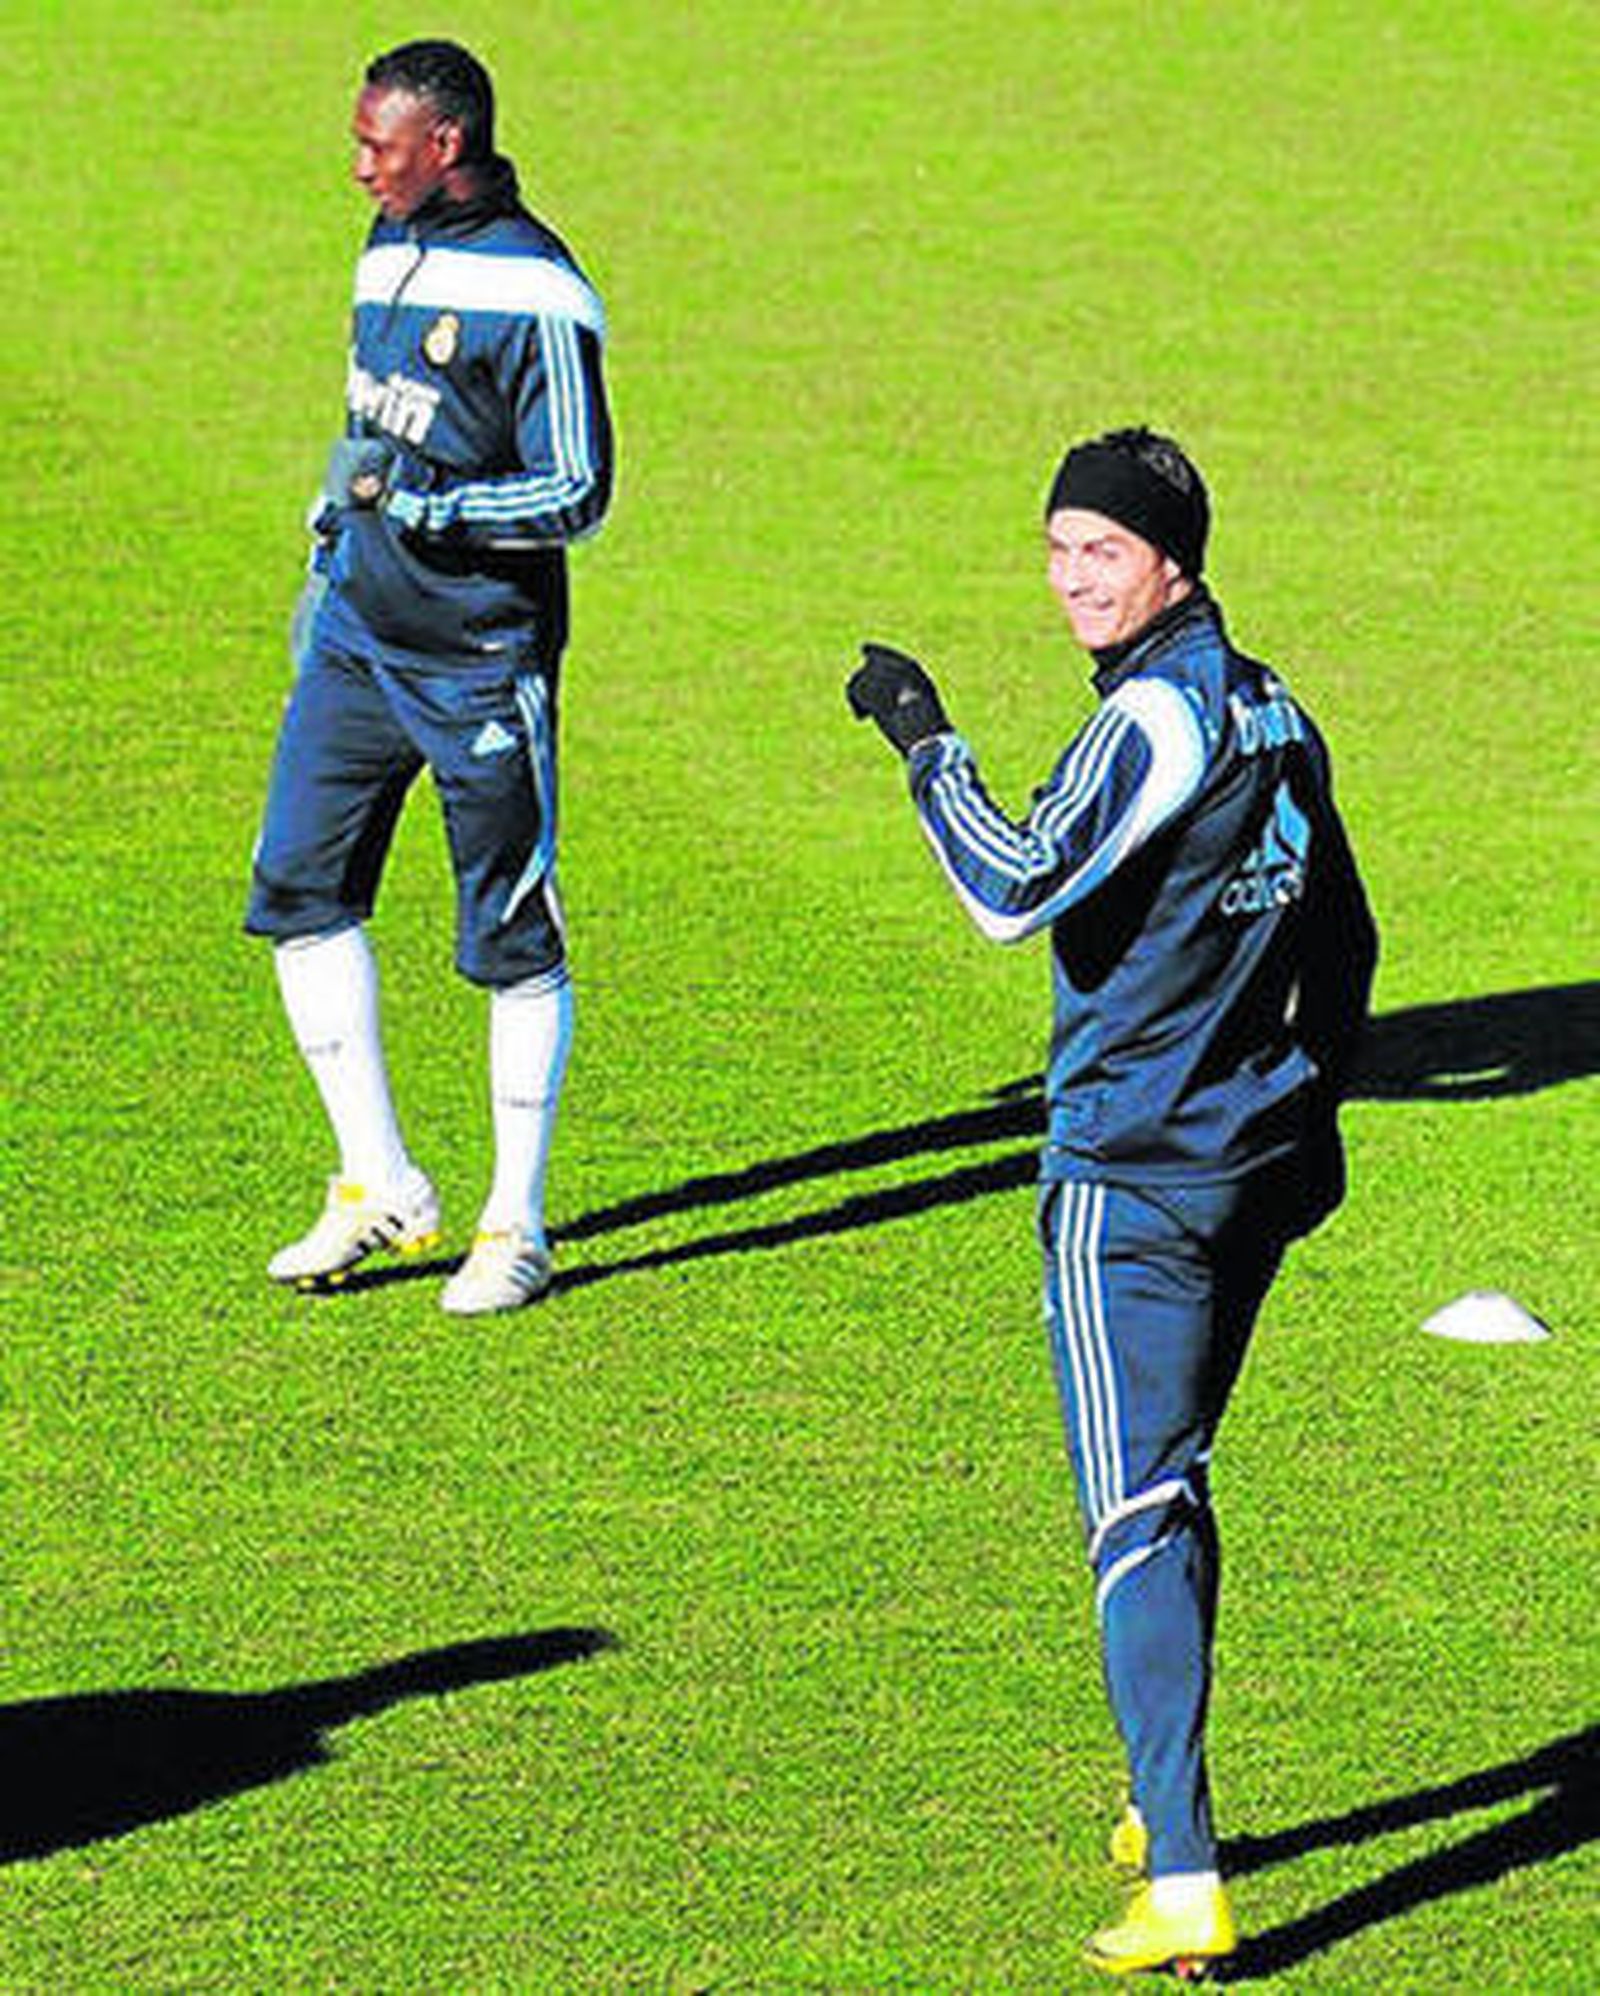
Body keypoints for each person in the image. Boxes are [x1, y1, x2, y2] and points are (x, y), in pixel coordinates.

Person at [846, 427, 1376, 1977]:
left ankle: (1187, 1877)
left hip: (1129, 1177)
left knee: (1136, 1509)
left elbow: (1010, 887)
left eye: (1106, 551)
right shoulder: (1273, 705)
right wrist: (1315, 1103)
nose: (1075, 579)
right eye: (1059, 548)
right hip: (1253, 1163)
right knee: (1177, 1481)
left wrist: (922, 737)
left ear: (1175, 564)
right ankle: (1157, 1801)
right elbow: (1346, 935)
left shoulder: (1152, 720)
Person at [245, 39, 613, 1314]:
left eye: (376, 145)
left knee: (509, 934)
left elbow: (577, 490)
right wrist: (336, 534)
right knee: (297, 888)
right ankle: (378, 1181)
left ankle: (516, 1225)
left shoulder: (541, 292)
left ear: (442, 143)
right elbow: (378, 422)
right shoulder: (386, 243)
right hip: (357, 635)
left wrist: (430, 509)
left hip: (476, 660)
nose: (357, 167)